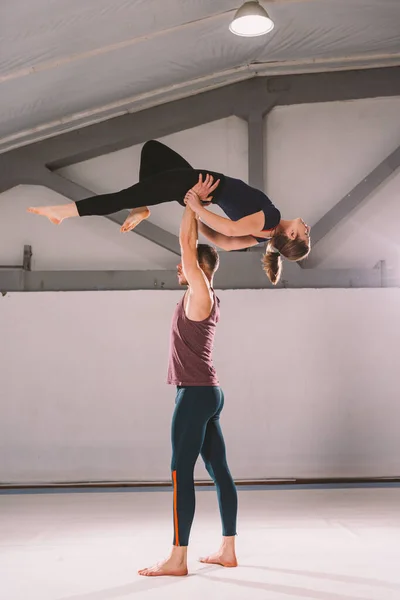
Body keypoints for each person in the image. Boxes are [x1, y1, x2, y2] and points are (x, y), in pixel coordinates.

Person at [27, 140, 311, 284]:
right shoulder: (263, 237)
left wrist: (197, 206)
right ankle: (141, 208)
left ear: (292, 234)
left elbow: (229, 232)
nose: (308, 228)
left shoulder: (273, 219)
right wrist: (197, 211)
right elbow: (224, 241)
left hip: (196, 186)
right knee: (152, 151)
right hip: (199, 189)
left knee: (122, 196)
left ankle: (64, 212)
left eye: (306, 234)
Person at [138, 204, 238, 577]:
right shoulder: (203, 295)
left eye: (186, 262)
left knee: (181, 470)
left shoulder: (201, 292)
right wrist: (195, 210)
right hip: (206, 392)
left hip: (195, 394)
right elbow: (187, 246)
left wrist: (191, 204)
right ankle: (227, 550)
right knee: (219, 469)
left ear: (199, 268)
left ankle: (177, 558)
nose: (179, 266)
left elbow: (186, 243)